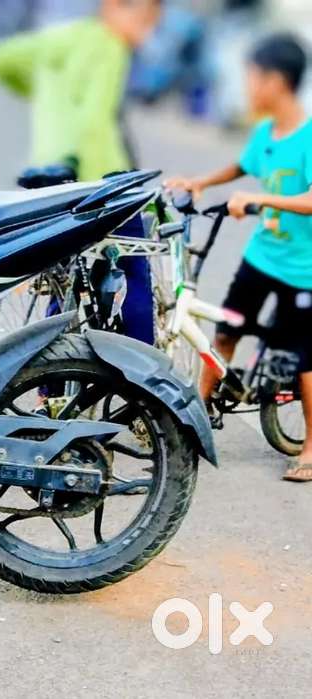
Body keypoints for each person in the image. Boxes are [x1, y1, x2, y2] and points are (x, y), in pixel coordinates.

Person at [165, 35, 312, 482]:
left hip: (302, 270)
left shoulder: (308, 136)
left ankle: (311, 447)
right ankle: (196, 414)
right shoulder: (266, 133)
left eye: (251, 77)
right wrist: (201, 182)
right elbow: (243, 166)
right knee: (226, 331)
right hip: (261, 257)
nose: (247, 86)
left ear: (276, 82)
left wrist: (259, 199)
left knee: (301, 359)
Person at [0, 0, 164, 345]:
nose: (146, 33)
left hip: (47, 172)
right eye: (143, 21)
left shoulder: (61, 38)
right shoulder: (110, 46)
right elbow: (93, 119)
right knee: (133, 271)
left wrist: (41, 94)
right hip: (96, 173)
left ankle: (52, 372)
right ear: (112, 7)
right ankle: (145, 368)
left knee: (62, 279)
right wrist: (114, 183)